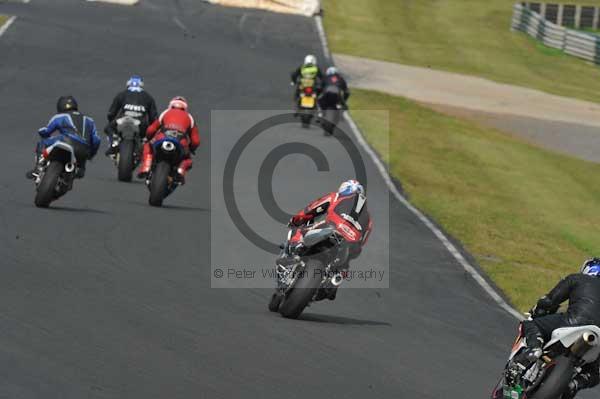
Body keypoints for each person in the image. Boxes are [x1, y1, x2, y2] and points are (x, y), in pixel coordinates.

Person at [518, 258, 600, 398]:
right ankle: (576, 383)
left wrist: (537, 312)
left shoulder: (577, 278)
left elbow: (548, 301)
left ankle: (535, 347)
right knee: (597, 370)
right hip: (598, 338)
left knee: (529, 324)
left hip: (573, 322)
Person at [287, 179, 373, 300]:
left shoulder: (336, 197)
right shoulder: (369, 220)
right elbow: (361, 243)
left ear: (344, 189)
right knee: (345, 265)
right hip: (349, 244)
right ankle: (334, 282)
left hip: (331, 229)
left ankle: (294, 250)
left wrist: (296, 219)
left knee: (300, 231)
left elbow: (312, 209)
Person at [26, 96, 100, 180]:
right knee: (80, 170)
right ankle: (80, 168)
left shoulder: (60, 117)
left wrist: (41, 132)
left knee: (42, 143)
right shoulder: (90, 120)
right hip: (83, 150)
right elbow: (96, 140)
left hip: (66, 141)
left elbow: (46, 131)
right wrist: (91, 154)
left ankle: (37, 169)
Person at [137, 96, 200, 184]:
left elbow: (151, 129)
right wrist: (191, 148)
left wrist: (148, 138)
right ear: (185, 108)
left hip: (162, 137)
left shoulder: (166, 112)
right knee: (187, 159)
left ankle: (146, 166)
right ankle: (180, 171)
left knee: (148, 146)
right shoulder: (190, 118)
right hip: (181, 141)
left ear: (171, 105)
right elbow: (196, 141)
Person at [104, 75, 158, 156]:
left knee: (108, 128)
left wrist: (111, 121)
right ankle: (144, 146)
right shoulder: (148, 97)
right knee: (147, 137)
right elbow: (153, 118)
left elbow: (111, 113)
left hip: (123, 120)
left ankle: (114, 142)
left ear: (128, 84)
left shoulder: (121, 94)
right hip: (141, 124)